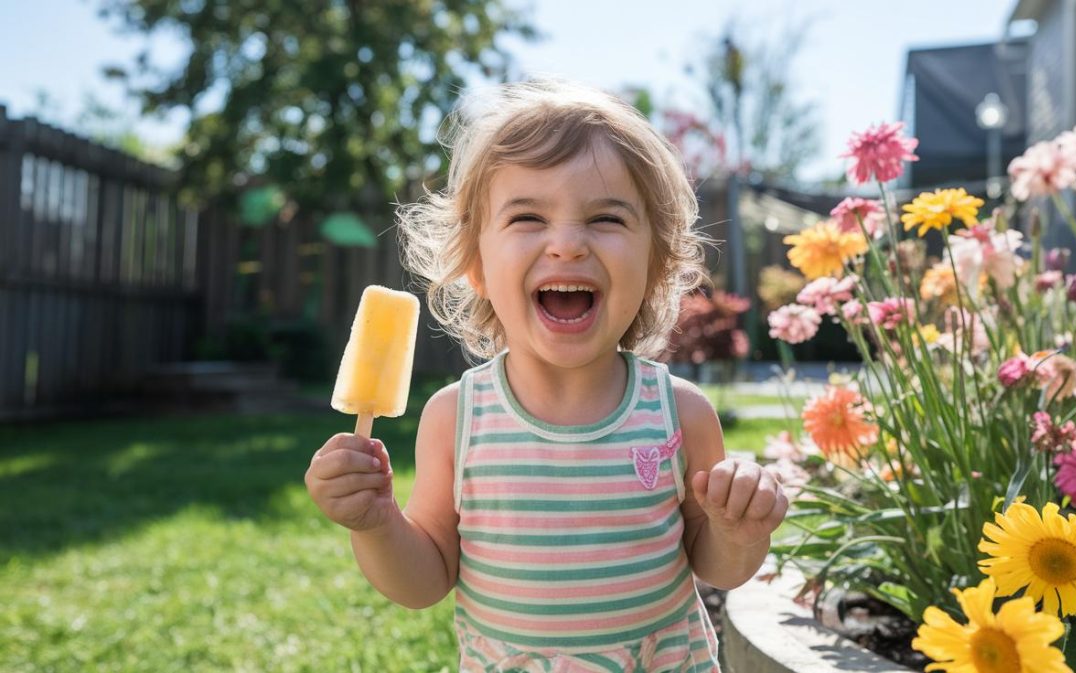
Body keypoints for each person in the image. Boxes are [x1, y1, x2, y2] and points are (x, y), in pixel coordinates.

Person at [305, 78, 788, 672]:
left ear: (655, 265)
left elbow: (716, 566)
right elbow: (424, 581)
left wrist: (739, 530)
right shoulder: (457, 418)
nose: (566, 245)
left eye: (606, 219)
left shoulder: (679, 413)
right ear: (476, 265)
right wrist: (376, 523)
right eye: (528, 216)